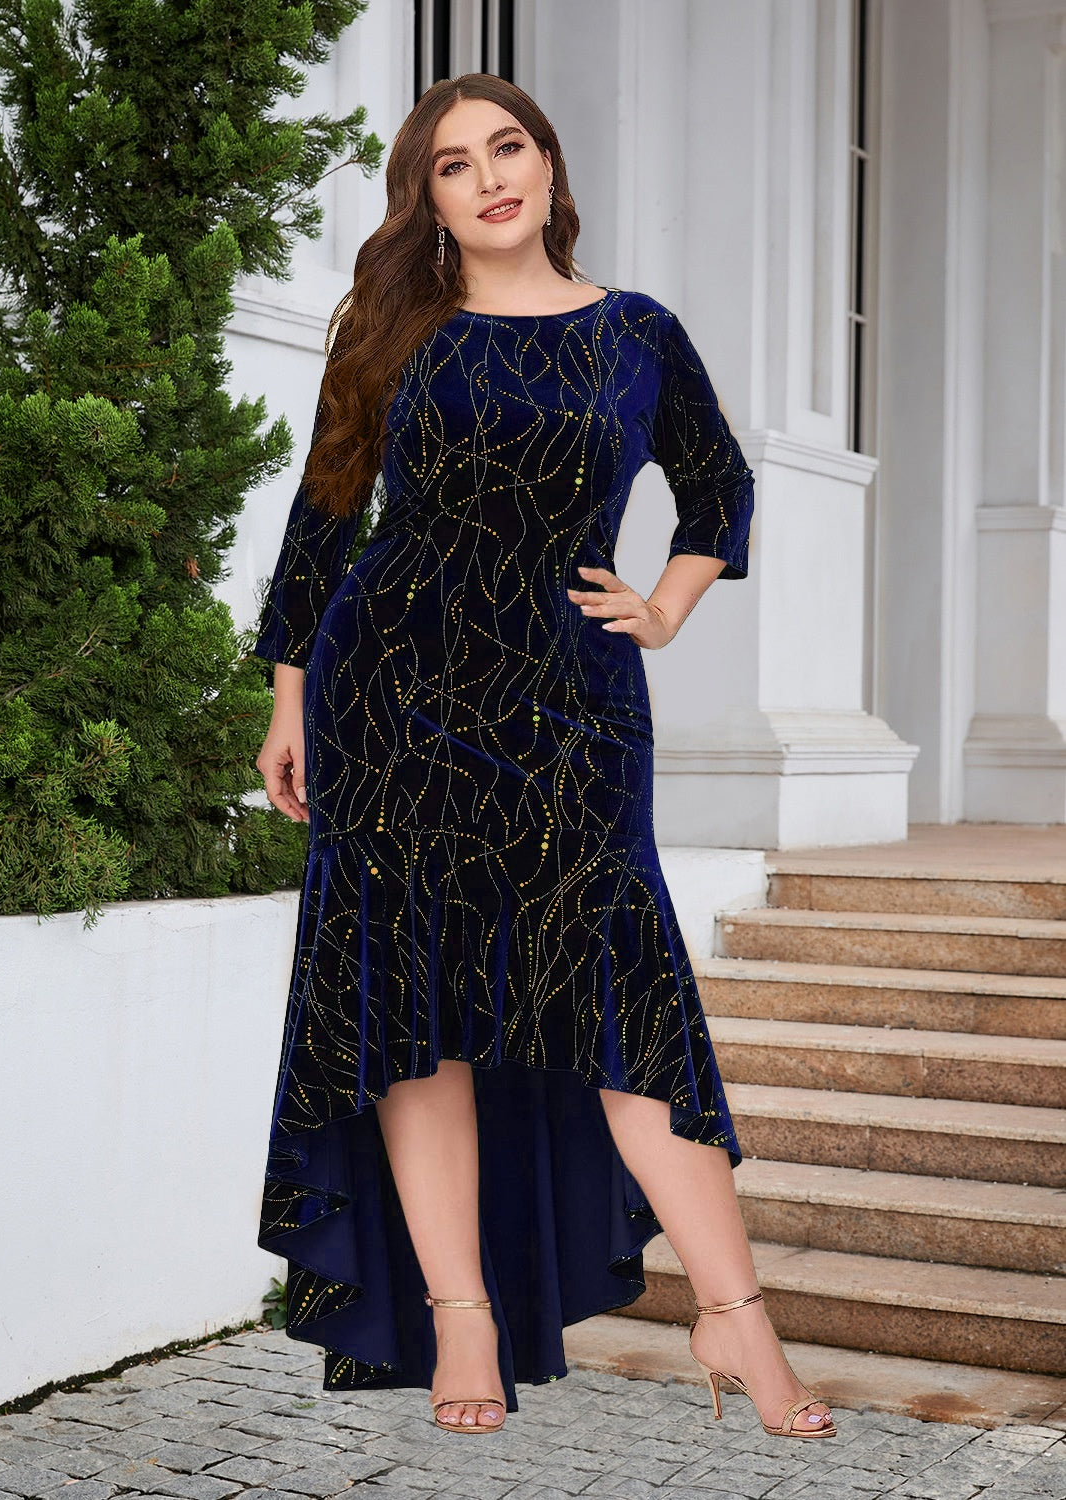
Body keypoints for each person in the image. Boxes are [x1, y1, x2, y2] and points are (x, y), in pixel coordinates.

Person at [253, 72, 835, 1443]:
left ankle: (734, 1313)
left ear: (550, 165)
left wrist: (666, 606)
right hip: (392, 697)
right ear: (430, 201)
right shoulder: (393, 332)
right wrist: (289, 703)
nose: (489, 178)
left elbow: (719, 484)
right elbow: (324, 518)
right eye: (453, 165)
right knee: (413, 1009)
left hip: (573, 709)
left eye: (506, 148)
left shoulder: (637, 331)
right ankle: (461, 1315)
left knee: (625, 1007)